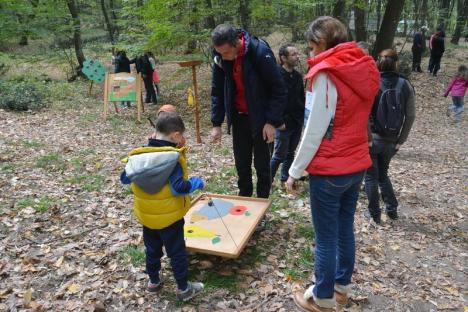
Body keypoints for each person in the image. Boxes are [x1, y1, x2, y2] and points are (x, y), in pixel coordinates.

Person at [286, 16, 380, 311]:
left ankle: (324, 298)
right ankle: (341, 287)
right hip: (356, 165)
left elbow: (314, 129)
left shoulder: (325, 73)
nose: (309, 50)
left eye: (312, 44)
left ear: (323, 43)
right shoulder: (364, 66)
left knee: (326, 237)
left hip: (330, 170)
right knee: (344, 228)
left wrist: (294, 171)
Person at [120, 112, 205, 301]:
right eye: (182, 136)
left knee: (152, 250)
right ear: (175, 136)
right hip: (170, 219)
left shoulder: (138, 156)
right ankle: (184, 289)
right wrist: (197, 183)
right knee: (177, 252)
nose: (183, 139)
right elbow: (179, 188)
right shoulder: (172, 159)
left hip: (147, 218)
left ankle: (153, 282)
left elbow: (124, 178)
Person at [210, 24, 287, 199]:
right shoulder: (220, 57)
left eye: (226, 53)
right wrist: (216, 123)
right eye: (219, 52)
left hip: (261, 120)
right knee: (242, 165)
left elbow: (279, 89)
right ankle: (244, 202)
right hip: (239, 118)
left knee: (262, 166)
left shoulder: (259, 52)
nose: (223, 57)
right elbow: (217, 90)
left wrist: (271, 121)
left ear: (237, 43)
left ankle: (261, 205)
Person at [365, 49, 416, 224]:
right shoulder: (406, 85)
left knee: (371, 176)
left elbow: (363, 113)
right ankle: (392, 209)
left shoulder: (372, 82)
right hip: (392, 140)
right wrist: (401, 140)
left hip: (372, 138)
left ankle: (374, 214)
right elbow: (410, 116)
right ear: (396, 63)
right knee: (383, 174)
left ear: (378, 62)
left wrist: (368, 138)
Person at [270, 43, 305, 187]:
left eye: (297, 54)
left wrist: (302, 117)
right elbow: (272, 99)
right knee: (279, 155)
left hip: (296, 121)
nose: (297, 57)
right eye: (293, 54)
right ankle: (267, 181)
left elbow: (300, 98)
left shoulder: (297, 76)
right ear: (283, 58)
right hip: (283, 123)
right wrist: (278, 121)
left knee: (291, 153)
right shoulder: (276, 75)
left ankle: (285, 181)